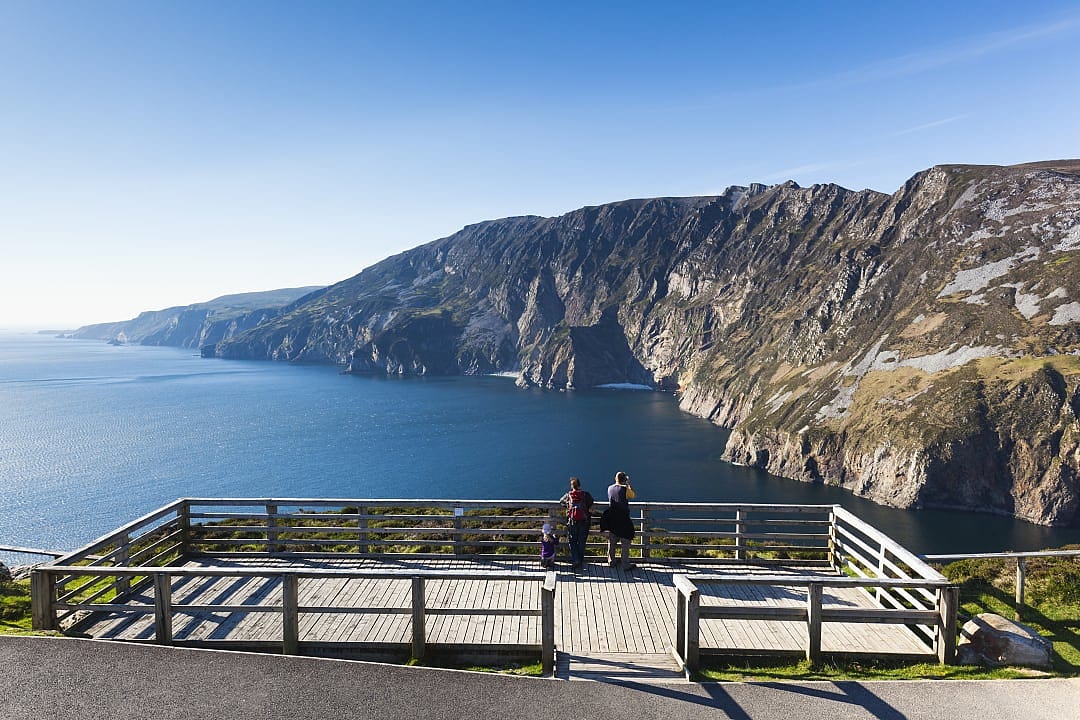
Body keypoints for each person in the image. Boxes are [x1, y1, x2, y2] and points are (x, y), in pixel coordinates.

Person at [559, 476, 594, 571]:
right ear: (579, 485)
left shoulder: (569, 495)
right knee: (581, 542)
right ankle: (580, 560)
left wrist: (568, 506)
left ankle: (576, 560)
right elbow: (591, 501)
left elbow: (561, 501)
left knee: (572, 541)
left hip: (572, 522)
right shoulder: (585, 494)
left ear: (572, 486)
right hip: (584, 522)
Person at [604, 470, 636, 570]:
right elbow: (633, 496)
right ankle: (625, 564)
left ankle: (611, 561)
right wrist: (628, 484)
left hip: (612, 518)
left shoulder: (609, 488)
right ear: (624, 479)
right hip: (623, 519)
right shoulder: (625, 489)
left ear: (615, 479)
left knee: (612, 541)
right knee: (625, 541)